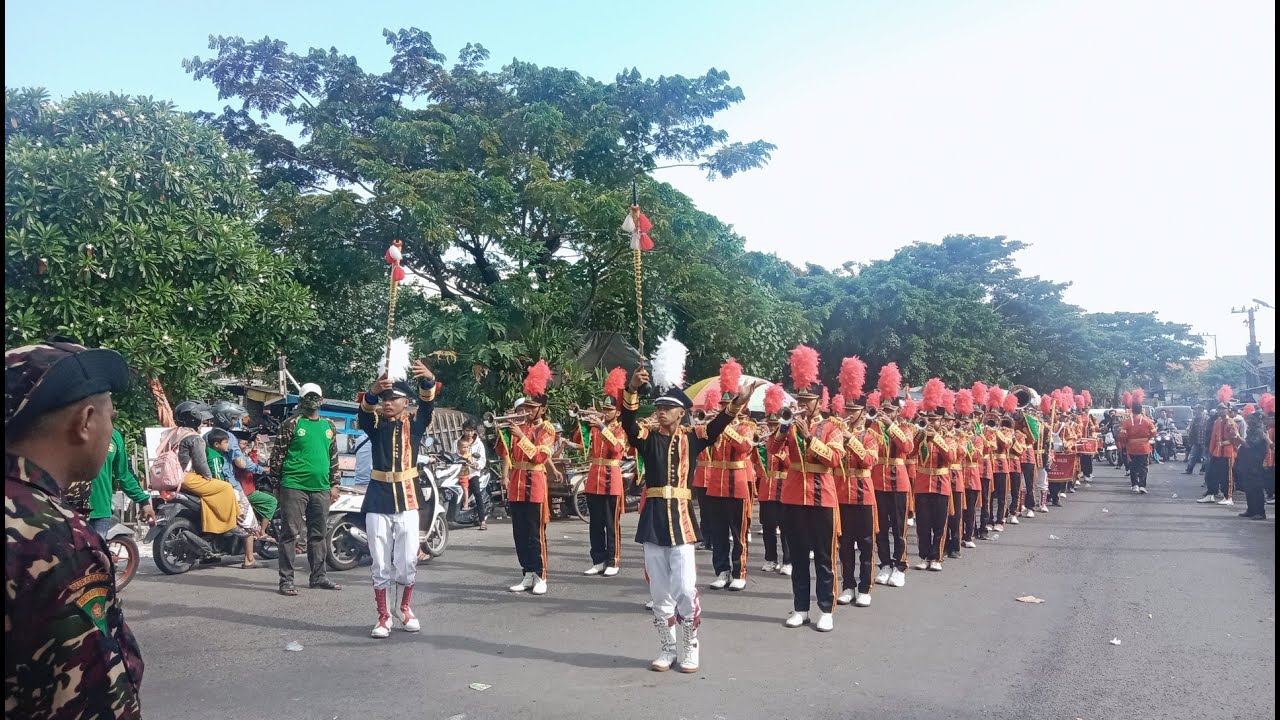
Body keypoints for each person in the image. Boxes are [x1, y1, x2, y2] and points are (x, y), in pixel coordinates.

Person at [5, 337, 144, 718]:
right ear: (85, 422)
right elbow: (93, 699)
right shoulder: (57, 542)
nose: (110, 427)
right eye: (110, 417)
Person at [619, 366, 756, 672]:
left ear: (681, 413)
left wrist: (738, 401)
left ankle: (690, 645)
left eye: (667, 408)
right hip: (653, 520)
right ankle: (667, 647)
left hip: (681, 521)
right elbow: (628, 422)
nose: (660, 412)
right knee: (658, 592)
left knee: (684, 587)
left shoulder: (693, 438)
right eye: (658, 408)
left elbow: (720, 424)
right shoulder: (646, 437)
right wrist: (631, 389)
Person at [358, 363, 438, 637]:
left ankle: (404, 608)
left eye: (393, 399)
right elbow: (364, 414)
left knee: (407, 561)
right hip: (377, 501)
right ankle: (383, 617)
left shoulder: (415, 426)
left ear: (406, 402)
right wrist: (371, 392)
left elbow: (428, 407)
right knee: (380, 561)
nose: (388, 403)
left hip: (408, 500)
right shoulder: (376, 426)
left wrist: (428, 380)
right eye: (384, 399)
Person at [777, 371, 845, 632]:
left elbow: (835, 459)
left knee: (825, 558)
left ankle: (826, 609)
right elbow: (772, 449)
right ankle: (801, 608)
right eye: (800, 399)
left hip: (822, 498)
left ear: (819, 402)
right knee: (798, 556)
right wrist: (783, 428)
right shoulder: (791, 424)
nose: (802, 404)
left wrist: (809, 438)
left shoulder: (832, 428)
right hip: (794, 497)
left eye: (808, 400)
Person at [273, 383, 341, 596]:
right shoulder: (291, 423)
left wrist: (334, 484)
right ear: (301, 400)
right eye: (308, 397)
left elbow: (333, 456)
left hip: (321, 488)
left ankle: (318, 577)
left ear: (321, 400)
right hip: (293, 486)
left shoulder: (329, 425)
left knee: (318, 533)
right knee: (290, 534)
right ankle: (286, 581)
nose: (312, 400)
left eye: (315, 397)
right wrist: (276, 484)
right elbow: (278, 456)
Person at [702, 367, 758, 592]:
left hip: (738, 484)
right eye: (722, 406)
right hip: (715, 484)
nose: (724, 409)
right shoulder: (714, 428)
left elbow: (744, 447)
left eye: (728, 405)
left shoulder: (748, 426)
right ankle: (721, 570)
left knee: (738, 531)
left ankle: (739, 571)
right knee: (718, 532)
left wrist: (726, 428)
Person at [170, 400, 243, 535]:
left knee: (211, 494)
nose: (204, 423)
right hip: (188, 477)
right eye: (202, 420)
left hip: (175, 477)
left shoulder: (175, 434)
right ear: (194, 419)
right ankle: (230, 525)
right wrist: (209, 477)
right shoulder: (194, 438)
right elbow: (200, 463)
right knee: (226, 487)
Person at [579, 390, 628, 576]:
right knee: (596, 523)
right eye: (604, 409)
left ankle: (613, 560)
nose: (605, 412)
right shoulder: (595, 427)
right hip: (594, 479)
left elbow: (617, 449)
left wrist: (601, 428)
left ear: (617, 412)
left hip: (611, 478)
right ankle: (598, 559)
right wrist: (584, 421)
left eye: (609, 409)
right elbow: (580, 441)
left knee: (611, 522)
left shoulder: (620, 429)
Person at [836, 396, 880, 607]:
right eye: (847, 410)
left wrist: (850, 439)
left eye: (853, 410)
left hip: (864, 495)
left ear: (862, 413)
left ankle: (865, 587)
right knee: (844, 544)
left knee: (866, 544)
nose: (849, 414)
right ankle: (848, 585)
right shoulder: (837, 434)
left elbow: (869, 460)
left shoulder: (870, 436)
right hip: (842, 494)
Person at [86, 421, 156, 537]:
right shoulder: (64, 431)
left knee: (95, 555)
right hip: (65, 509)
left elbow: (124, 474)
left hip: (100, 511)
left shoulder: (113, 436)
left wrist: (144, 501)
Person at [872, 398, 914, 589]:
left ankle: (900, 565)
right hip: (878, 482)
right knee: (880, 528)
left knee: (899, 528)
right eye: (884, 410)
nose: (886, 413)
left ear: (897, 411)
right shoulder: (873, 428)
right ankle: (885, 563)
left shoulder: (905, 427)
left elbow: (907, 448)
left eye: (890, 410)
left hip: (899, 483)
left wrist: (890, 425)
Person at [206, 428, 262, 567]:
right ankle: (249, 559)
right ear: (218, 444)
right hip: (230, 487)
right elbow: (241, 463)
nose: (229, 445)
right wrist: (261, 469)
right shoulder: (224, 443)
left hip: (207, 487)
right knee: (249, 521)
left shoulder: (206, 436)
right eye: (226, 443)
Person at [913, 408, 955, 572]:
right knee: (923, 524)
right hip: (922, 485)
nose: (931, 423)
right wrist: (919, 434)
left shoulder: (948, 438)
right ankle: (924, 556)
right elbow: (909, 451)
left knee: (939, 524)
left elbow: (951, 457)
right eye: (928, 419)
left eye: (935, 420)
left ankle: (936, 557)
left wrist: (936, 438)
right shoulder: (921, 437)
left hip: (941, 485)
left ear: (941, 422)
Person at [758, 410, 791, 575]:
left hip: (784, 488)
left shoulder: (788, 441)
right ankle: (771, 559)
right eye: (770, 424)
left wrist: (776, 450)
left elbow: (791, 463)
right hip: (766, 489)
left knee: (786, 527)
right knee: (768, 526)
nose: (771, 427)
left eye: (774, 425)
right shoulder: (765, 442)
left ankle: (788, 560)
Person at [1199, 403, 1241, 506]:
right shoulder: (1217, 421)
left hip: (1228, 452)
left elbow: (1236, 439)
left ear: (1228, 410)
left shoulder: (1231, 422)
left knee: (1227, 476)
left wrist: (1225, 443)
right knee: (1212, 473)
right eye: (1219, 409)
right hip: (1216, 452)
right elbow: (1213, 437)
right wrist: (1211, 449)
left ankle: (1228, 497)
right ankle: (1211, 493)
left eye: (1223, 409)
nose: (1221, 411)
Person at [458, 421, 491, 530]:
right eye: (467, 430)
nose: (469, 433)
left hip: (473, 473)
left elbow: (482, 459)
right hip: (459, 472)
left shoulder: (479, 444)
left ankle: (482, 521)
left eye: (471, 430)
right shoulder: (457, 442)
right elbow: (453, 455)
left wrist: (476, 464)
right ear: (463, 430)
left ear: (474, 431)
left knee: (477, 493)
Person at [1237, 412, 1269, 520]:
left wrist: (1238, 437)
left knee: (1256, 488)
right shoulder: (1252, 430)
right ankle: (1251, 510)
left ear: (1256, 420)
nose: (1248, 421)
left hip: (1255, 463)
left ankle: (1260, 512)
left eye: (1251, 419)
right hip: (1248, 463)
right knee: (1249, 487)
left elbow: (1249, 445)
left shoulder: (1259, 431)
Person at [1120, 402, 1156, 494]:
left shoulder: (1127, 422)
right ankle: (1142, 485)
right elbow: (1154, 432)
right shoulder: (1147, 420)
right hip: (1144, 447)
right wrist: (1147, 438)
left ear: (1132, 410)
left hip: (1132, 447)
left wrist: (1125, 443)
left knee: (1133, 466)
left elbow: (1122, 435)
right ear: (1141, 410)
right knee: (1143, 466)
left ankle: (1134, 485)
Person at [1185, 405, 1209, 474]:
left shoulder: (1206, 419)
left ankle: (1203, 470)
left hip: (1204, 441)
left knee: (1204, 457)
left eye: (1200, 410)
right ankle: (1189, 470)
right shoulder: (1194, 419)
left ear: (1202, 410)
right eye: (1197, 410)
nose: (1198, 411)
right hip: (1196, 441)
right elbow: (1190, 427)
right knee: (1193, 456)